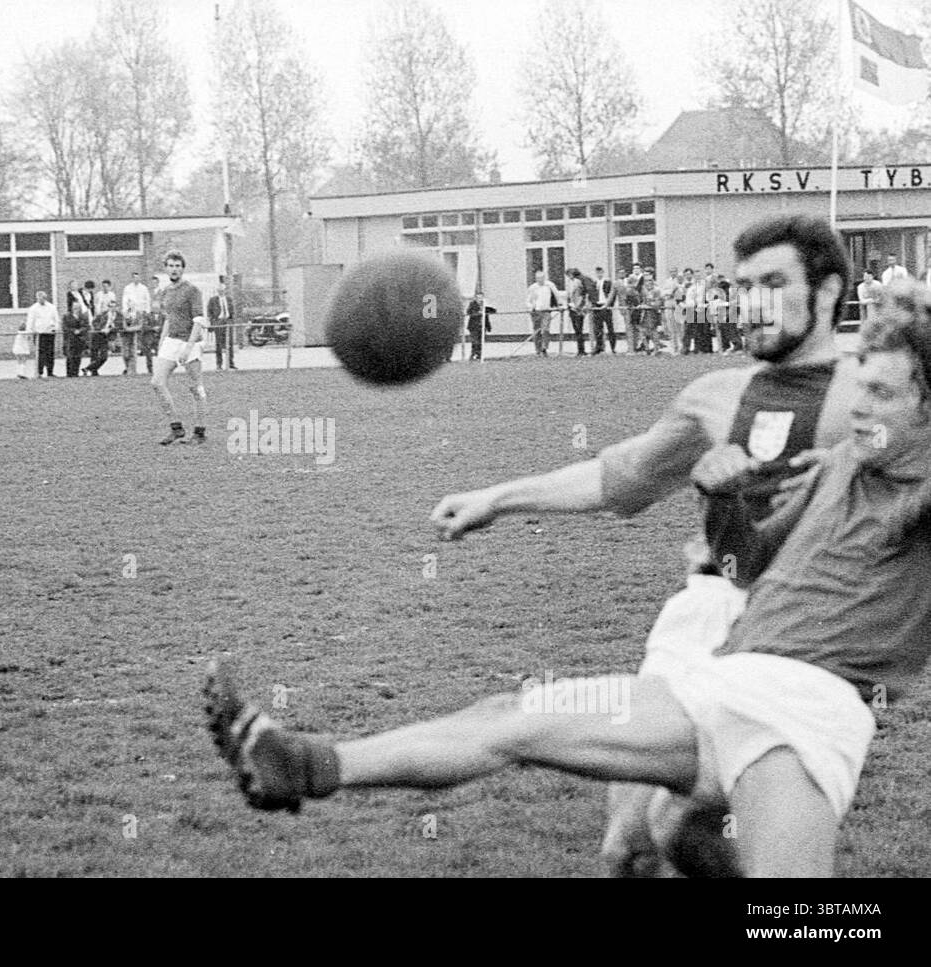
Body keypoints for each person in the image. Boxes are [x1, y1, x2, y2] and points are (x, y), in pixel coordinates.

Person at [204, 281, 931, 878]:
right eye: (858, 387)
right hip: (715, 688)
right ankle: (301, 763)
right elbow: (755, 564)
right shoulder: (836, 466)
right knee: (514, 718)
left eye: (885, 396)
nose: (859, 408)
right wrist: (727, 500)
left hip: (801, 717)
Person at [151, 250, 208, 445]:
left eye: (178, 266)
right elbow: (168, 318)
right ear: (165, 268)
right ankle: (176, 428)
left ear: (182, 268)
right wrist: (161, 343)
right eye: (171, 265)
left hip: (190, 341)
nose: (174, 269)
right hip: (171, 341)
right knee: (157, 382)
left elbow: (199, 320)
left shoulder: (192, 290)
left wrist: (188, 347)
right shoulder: (166, 291)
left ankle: (200, 432)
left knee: (195, 388)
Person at [26, 290, 60, 378]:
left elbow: (56, 319)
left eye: (42, 298)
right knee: (40, 353)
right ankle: (39, 372)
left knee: (50, 353)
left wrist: (55, 328)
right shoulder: (33, 308)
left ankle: (50, 372)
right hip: (39, 334)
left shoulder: (52, 307)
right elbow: (30, 321)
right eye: (38, 298)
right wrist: (29, 332)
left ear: (45, 298)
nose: (40, 300)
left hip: (49, 333)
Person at [207, 280, 237, 370]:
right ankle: (219, 364)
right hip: (218, 322)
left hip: (228, 323)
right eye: (219, 290)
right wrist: (213, 322)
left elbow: (232, 311)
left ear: (225, 290)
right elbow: (209, 312)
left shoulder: (229, 299)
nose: (221, 291)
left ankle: (231, 363)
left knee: (230, 343)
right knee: (219, 344)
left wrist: (231, 321)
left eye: (223, 290)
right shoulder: (213, 300)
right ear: (217, 291)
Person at [525, 270, 556, 357]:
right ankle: (537, 350)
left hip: (546, 310)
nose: (540, 280)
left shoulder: (550, 285)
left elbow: (557, 295)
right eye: (538, 278)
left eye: (542, 278)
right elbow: (528, 301)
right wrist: (531, 307)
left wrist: (559, 304)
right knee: (536, 331)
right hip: (536, 312)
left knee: (546, 329)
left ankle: (544, 348)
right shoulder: (533, 288)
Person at [84, 303, 116, 376]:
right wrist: (101, 329)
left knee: (104, 356)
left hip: (106, 337)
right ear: (108, 307)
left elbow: (119, 325)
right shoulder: (102, 314)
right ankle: (93, 372)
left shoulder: (118, 316)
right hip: (98, 335)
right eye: (110, 306)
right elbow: (94, 323)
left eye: (114, 306)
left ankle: (88, 368)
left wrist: (110, 329)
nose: (112, 308)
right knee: (94, 355)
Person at [659, 268, 683, 356]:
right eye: (671, 271)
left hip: (678, 305)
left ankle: (681, 347)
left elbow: (681, 292)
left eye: (674, 271)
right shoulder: (667, 282)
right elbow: (662, 293)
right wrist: (668, 293)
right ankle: (674, 347)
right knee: (671, 327)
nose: (673, 273)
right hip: (668, 304)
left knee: (679, 327)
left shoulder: (680, 281)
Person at [591, 267, 615, 354]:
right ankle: (599, 346)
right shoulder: (594, 283)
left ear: (603, 273)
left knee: (610, 327)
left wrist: (609, 305)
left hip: (606, 306)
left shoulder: (608, 282)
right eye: (597, 273)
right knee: (597, 328)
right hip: (597, 306)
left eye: (600, 273)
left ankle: (613, 347)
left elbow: (612, 294)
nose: (599, 274)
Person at [565, 269, 588, 356]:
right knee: (576, 329)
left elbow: (581, 295)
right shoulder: (568, 283)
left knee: (579, 329)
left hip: (578, 308)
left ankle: (581, 349)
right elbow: (568, 295)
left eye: (570, 274)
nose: (569, 276)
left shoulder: (578, 282)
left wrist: (578, 306)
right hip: (572, 307)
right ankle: (580, 349)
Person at [64, 296, 89, 377]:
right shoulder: (67, 316)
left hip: (80, 339)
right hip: (70, 339)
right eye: (74, 307)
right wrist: (73, 330)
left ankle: (76, 373)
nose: (76, 309)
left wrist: (80, 330)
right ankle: (69, 373)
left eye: (78, 307)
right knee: (70, 356)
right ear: (72, 307)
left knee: (78, 356)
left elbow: (87, 326)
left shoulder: (83, 316)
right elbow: (65, 327)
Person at [637, 271, 661, 354]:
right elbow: (642, 301)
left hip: (652, 313)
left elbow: (657, 304)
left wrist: (648, 305)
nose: (648, 282)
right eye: (646, 280)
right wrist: (641, 305)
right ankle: (647, 349)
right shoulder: (643, 290)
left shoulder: (656, 290)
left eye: (650, 280)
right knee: (642, 331)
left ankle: (656, 349)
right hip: (644, 313)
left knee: (653, 331)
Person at [465, 290, 487, 361]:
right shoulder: (472, 304)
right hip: (474, 325)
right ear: (475, 298)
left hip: (482, 325)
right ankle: (473, 354)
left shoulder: (484, 304)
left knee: (481, 341)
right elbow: (469, 312)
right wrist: (478, 313)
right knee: (475, 341)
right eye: (478, 297)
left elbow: (491, 311)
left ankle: (479, 355)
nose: (479, 299)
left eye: (481, 297)